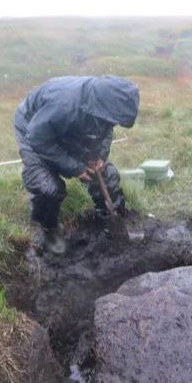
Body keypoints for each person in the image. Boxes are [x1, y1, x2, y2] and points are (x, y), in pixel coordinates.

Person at [15, 76, 140, 255]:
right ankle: (50, 230)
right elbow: (37, 138)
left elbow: (105, 131)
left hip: (72, 129)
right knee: (48, 188)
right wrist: (76, 168)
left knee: (106, 176)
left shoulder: (104, 110)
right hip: (34, 129)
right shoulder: (64, 106)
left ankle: (115, 227)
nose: (112, 124)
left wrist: (99, 157)